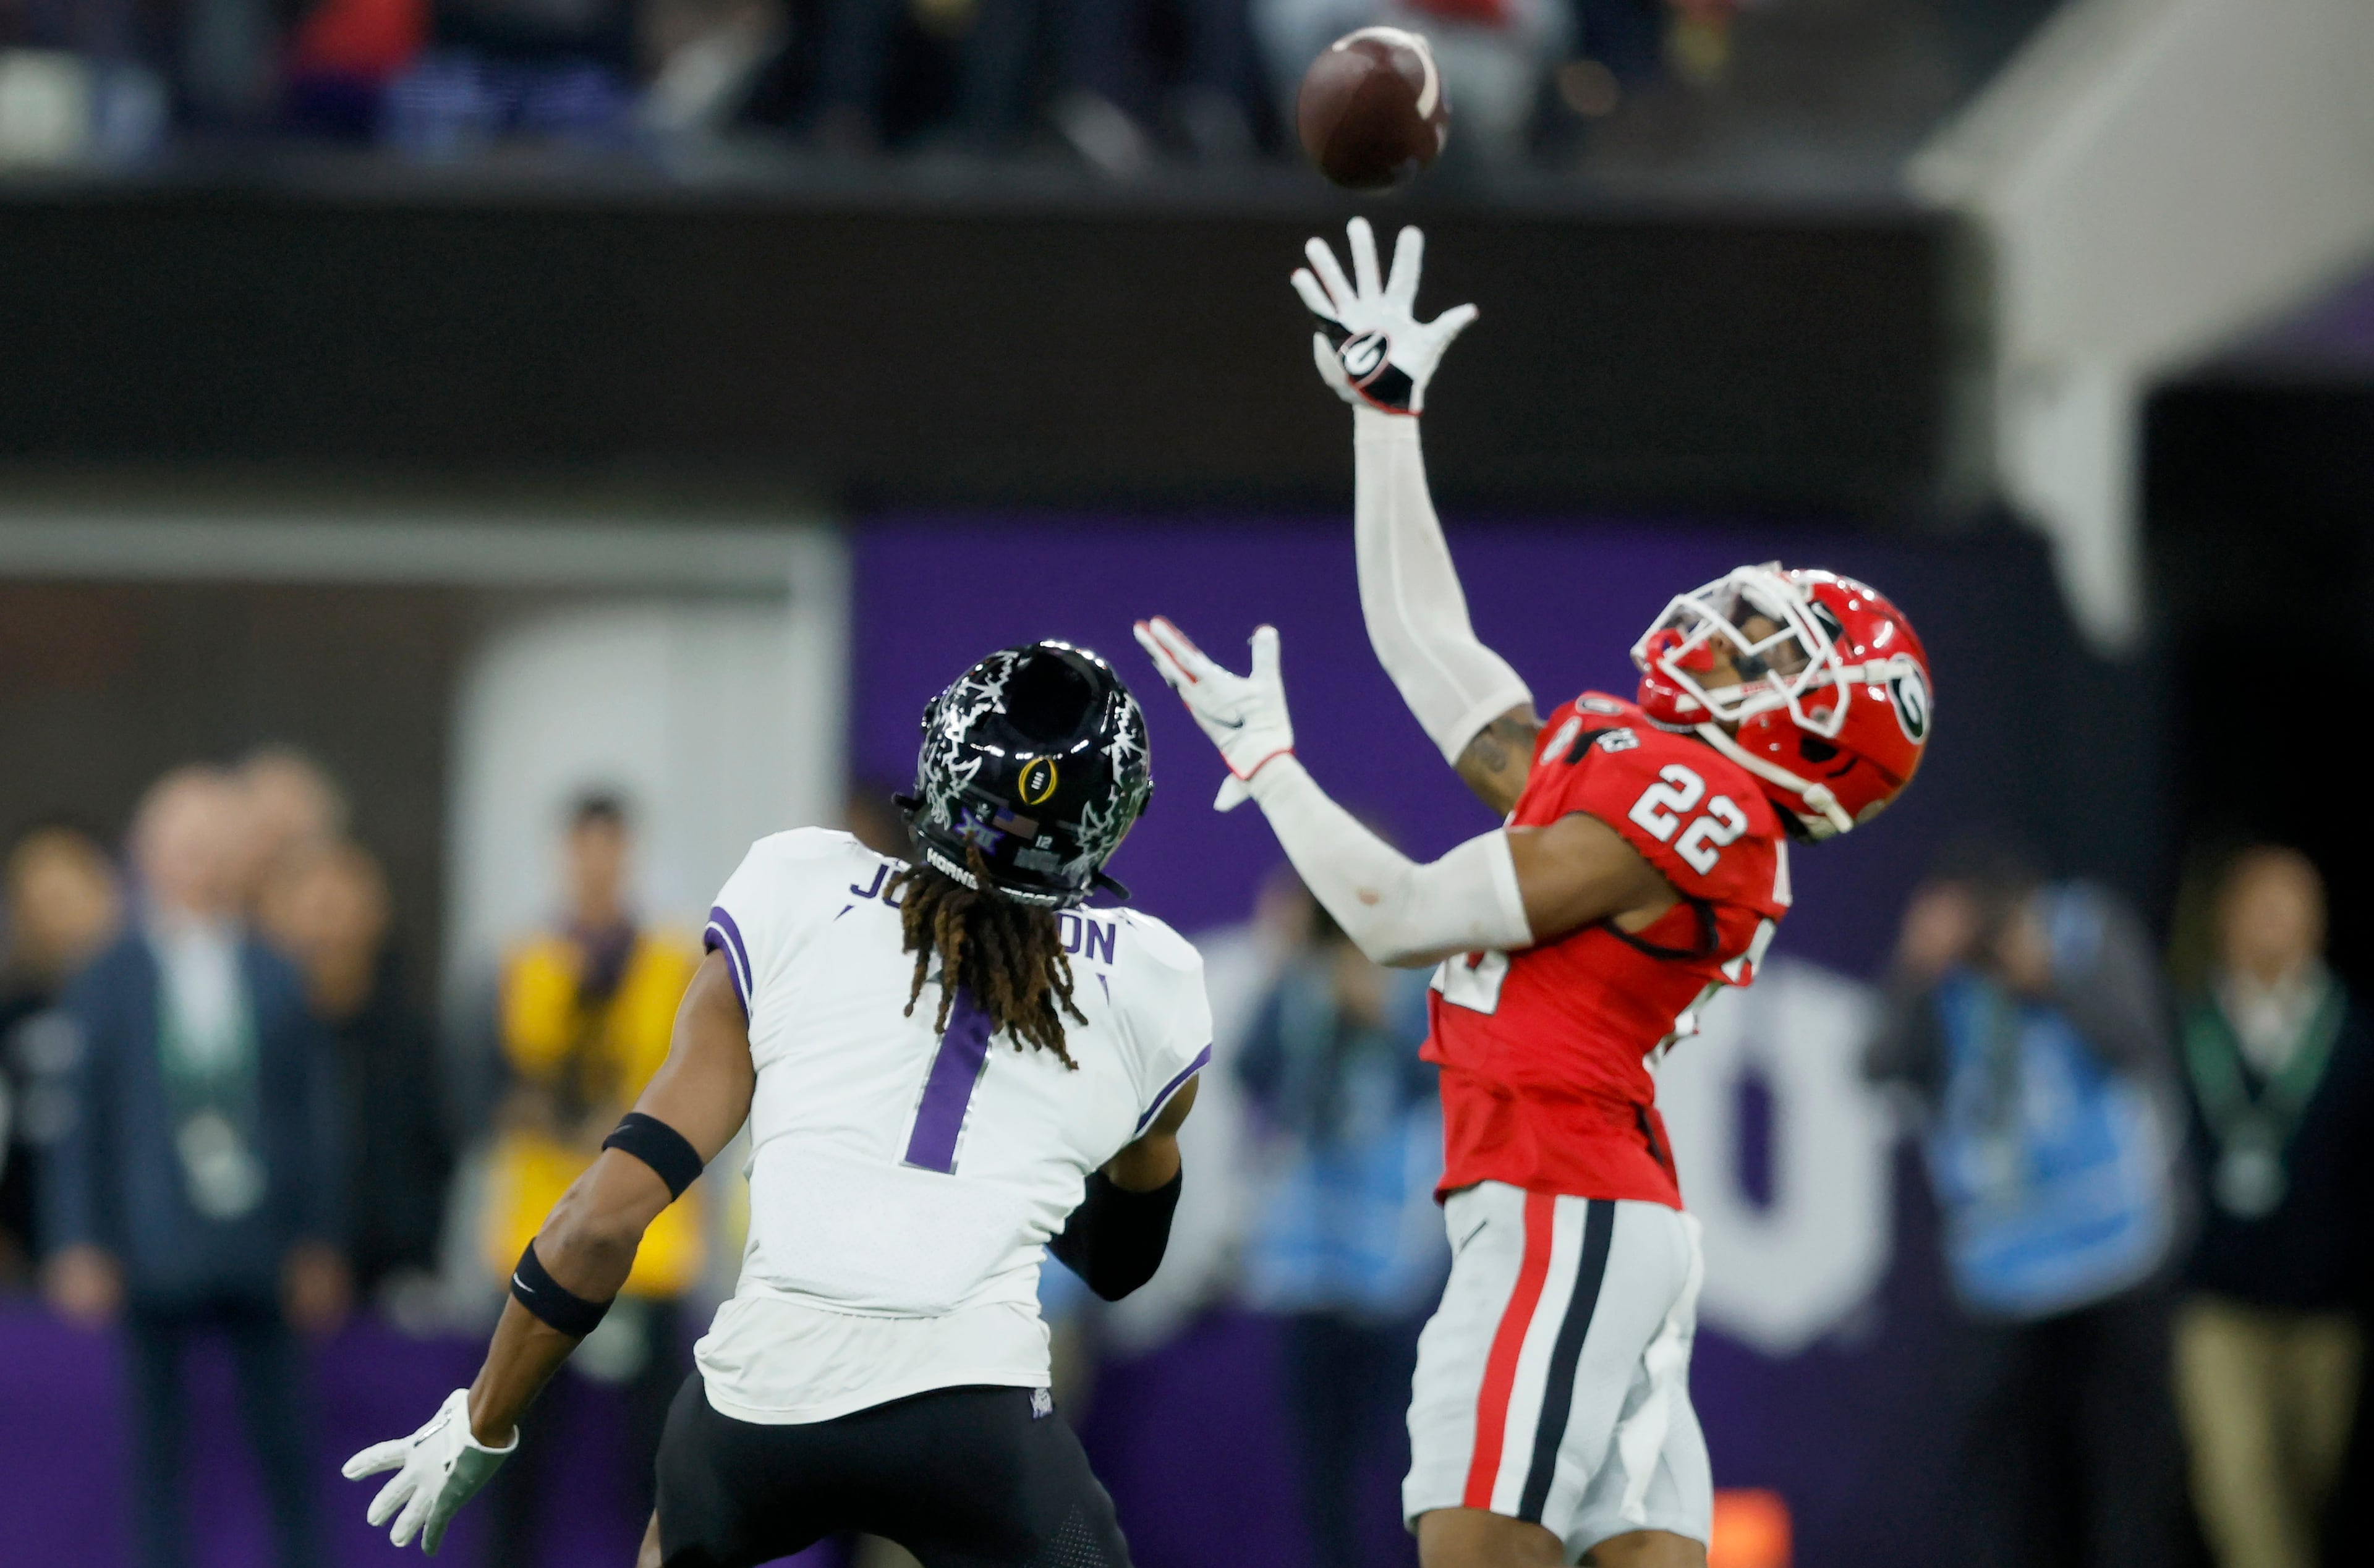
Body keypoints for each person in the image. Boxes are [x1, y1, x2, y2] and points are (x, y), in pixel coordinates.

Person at [1134, 217, 1933, 1568]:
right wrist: (1388, 418)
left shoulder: (1706, 803)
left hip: (1561, 1198)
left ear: (1807, 734)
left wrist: (1269, 764)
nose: (1729, 634)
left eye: (1767, 651)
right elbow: (1426, 643)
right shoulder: (1667, 770)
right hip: (1596, 1202)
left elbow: (1393, 917)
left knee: (1474, 1544)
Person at [345, 640, 1210, 1568]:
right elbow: (1122, 1257)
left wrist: (484, 1421)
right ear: (1113, 823)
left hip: (758, 1410)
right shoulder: (1149, 985)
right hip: (979, 1421)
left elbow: (599, 1221)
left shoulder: (798, 888)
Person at [40, 766, 349, 1568]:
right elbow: (81, 1121)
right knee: (155, 1459)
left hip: (263, 1243)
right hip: (151, 1243)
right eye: (182, 848)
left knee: (289, 1452)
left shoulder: (275, 970)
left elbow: (311, 1111)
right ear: (145, 855)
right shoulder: (107, 974)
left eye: (214, 848)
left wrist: (319, 1236)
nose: (198, 866)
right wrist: (78, 1239)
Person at [1865, 841, 2187, 1568]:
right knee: (2002, 1479)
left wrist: (2050, 978)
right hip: (2003, 1268)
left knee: (2123, 1469)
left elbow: (2142, 1044)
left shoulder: (2082, 927)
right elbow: (1877, 1064)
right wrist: (1917, 968)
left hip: (2115, 1252)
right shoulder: (1944, 969)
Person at [480, 790, 705, 1558]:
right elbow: (489, 1084)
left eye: (610, 845)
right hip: (540, 1222)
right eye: (585, 845)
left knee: (654, 1451)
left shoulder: (675, 959)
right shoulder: (524, 958)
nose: (597, 862)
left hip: (649, 1232)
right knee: (513, 1442)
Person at [2172, 847, 2372, 1568]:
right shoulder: (2189, 1026)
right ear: (2228, 917)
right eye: (2262, 904)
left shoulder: (2351, 1034)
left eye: (2294, 906)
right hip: (2220, 1306)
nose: (2276, 922)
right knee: (2237, 1480)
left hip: (2325, 1310)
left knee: (2307, 1481)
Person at [1237, 899, 1446, 1568]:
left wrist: (1381, 1021)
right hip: (1308, 1260)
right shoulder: (1299, 988)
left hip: (1392, 1263)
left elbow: (1444, 1083)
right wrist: (1283, 972)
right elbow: (1250, 1069)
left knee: (1402, 1444)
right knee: (1318, 1450)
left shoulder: (1421, 987)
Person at [258, 836, 453, 1301]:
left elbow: (436, 1157)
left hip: (389, 1282)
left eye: (341, 905)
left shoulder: (414, 1040)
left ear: (376, 915)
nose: (328, 926)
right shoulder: (256, 1039)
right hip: (267, 1282)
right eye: (313, 906)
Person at [0, 821, 125, 1281]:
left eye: (67, 895)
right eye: (38, 901)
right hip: (23, 1257)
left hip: (141, 1257)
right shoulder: (11, 1014)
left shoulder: (143, 1010)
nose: (55, 916)